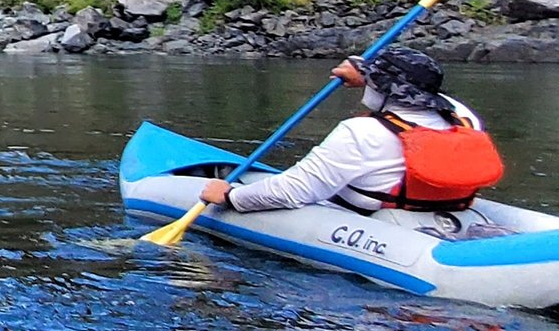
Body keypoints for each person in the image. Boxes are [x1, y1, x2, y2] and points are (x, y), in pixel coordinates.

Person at [198, 48, 504, 217]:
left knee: (267, 187)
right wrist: (368, 75)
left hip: (376, 218)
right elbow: (435, 98)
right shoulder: (464, 118)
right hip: (444, 210)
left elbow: (294, 191)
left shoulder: (362, 133)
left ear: (384, 89)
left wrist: (232, 196)